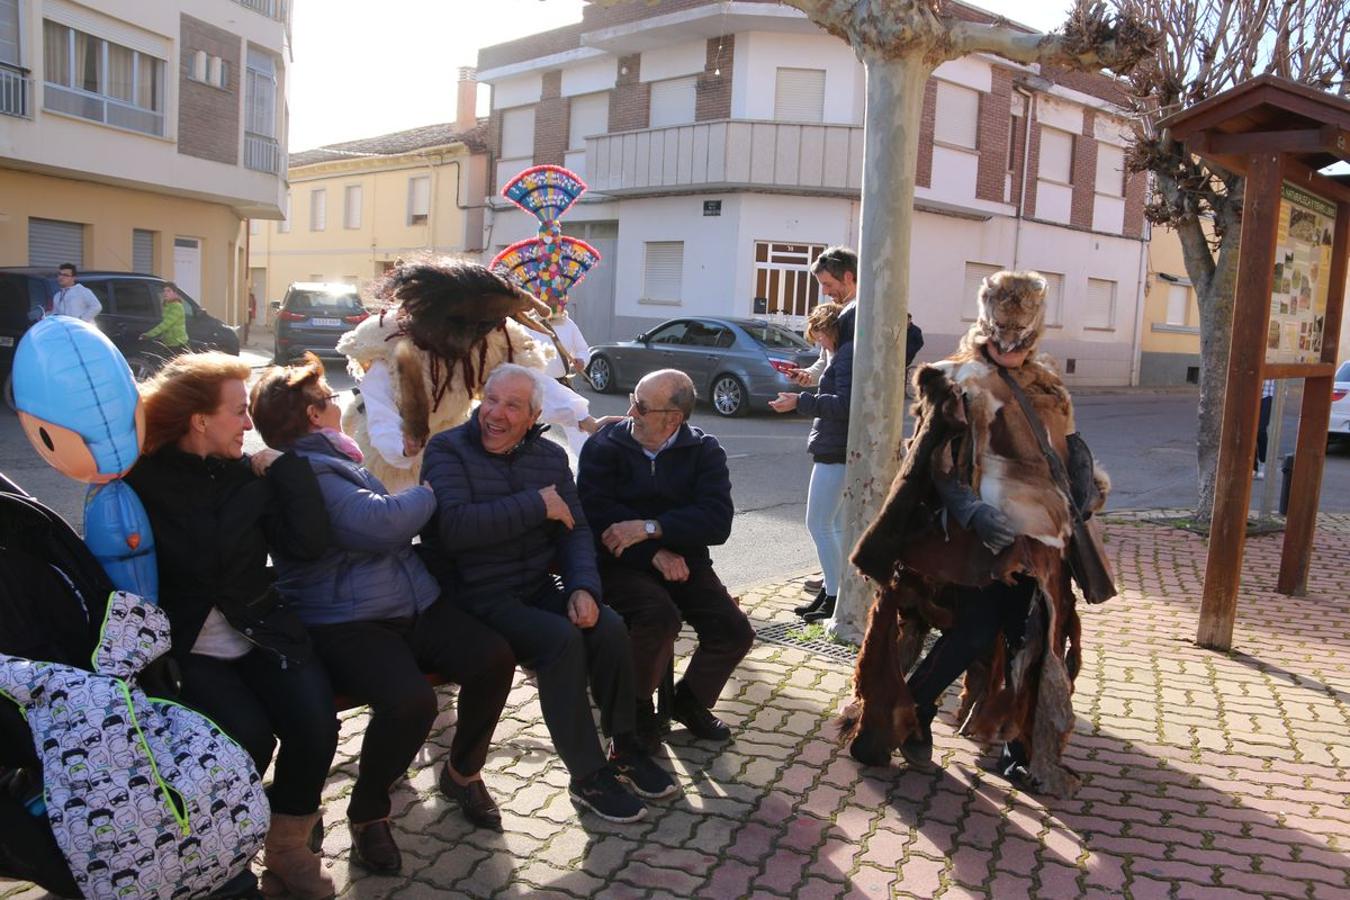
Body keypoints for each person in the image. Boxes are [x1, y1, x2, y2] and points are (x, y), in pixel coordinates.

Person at [844, 270, 1111, 799]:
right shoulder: (956, 379)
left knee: (1033, 640)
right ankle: (908, 712)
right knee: (971, 632)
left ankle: (1019, 749)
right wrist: (971, 513)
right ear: (985, 331)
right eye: (1000, 341)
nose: (1009, 351)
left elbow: (1071, 450)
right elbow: (933, 464)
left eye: (1020, 344)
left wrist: (1083, 491)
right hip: (977, 545)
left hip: (1043, 546)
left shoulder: (1051, 388)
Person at [247, 354, 517, 873]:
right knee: (410, 702)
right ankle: (369, 812)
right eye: (328, 399)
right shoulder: (307, 469)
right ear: (310, 416)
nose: (338, 404)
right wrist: (431, 493)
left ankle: (462, 774)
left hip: (405, 601)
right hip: (347, 620)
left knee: (493, 657)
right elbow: (375, 525)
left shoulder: (328, 456)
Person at [418, 364, 677, 823]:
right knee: (560, 640)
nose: (495, 414)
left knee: (609, 626)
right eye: (491, 400)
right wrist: (536, 504)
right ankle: (587, 775)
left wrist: (583, 588)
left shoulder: (549, 458)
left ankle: (624, 744)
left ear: (534, 414)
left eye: (512, 406)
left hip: (535, 585)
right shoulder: (447, 449)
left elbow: (574, 533)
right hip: (476, 594)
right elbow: (454, 528)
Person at [123, 352, 340, 899]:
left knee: (317, 722)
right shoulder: (138, 482)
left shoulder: (251, 474)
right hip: (185, 647)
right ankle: (221, 857)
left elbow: (308, 546)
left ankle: (289, 852)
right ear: (200, 420)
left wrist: (288, 469)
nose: (249, 424)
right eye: (239, 412)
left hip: (261, 628)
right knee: (245, 738)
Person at [578, 369, 754, 752]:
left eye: (640, 405)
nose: (631, 412)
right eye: (633, 400)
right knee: (658, 617)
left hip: (684, 561)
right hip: (619, 563)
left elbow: (716, 521)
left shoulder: (705, 451)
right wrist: (652, 551)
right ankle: (636, 709)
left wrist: (652, 527)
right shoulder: (604, 446)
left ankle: (689, 701)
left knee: (734, 631)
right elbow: (596, 518)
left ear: (673, 418)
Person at [336, 257, 571, 491]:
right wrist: (402, 447)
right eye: (458, 323)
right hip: (389, 467)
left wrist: (582, 418)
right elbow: (380, 414)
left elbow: (527, 384)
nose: (467, 335)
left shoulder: (492, 343)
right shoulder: (393, 344)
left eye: (480, 325)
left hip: (448, 458)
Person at [769, 304, 853, 624]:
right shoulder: (839, 353)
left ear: (827, 328)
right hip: (838, 446)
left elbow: (845, 404)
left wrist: (799, 402)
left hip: (835, 449)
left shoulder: (844, 355)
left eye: (818, 334)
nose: (818, 342)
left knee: (818, 523)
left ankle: (834, 598)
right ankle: (833, 593)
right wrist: (808, 382)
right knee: (836, 525)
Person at [789, 246, 858, 387]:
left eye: (827, 284)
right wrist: (808, 375)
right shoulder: (836, 312)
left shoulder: (866, 314)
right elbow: (825, 361)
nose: (825, 292)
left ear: (848, 277)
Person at [140, 284, 191, 356]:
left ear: (174, 293)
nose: (165, 293)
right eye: (164, 291)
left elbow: (166, 324)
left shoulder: (177, 306)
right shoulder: (167, 305)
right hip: (169, 342)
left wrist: (149, 334)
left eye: (168, 291)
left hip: (178, 343)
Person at [1255, 379, 1276, 479]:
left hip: (1268, 394)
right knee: (1251, 431)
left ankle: (1262, 462)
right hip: (1253, 393)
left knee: (1261, 430)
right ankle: (1253, 466)